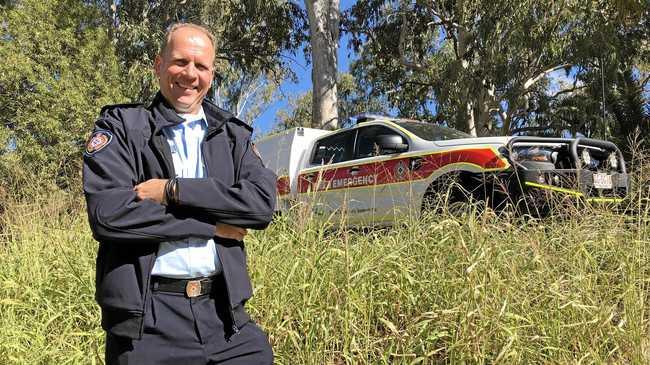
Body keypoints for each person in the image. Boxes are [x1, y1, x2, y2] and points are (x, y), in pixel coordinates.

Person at [82, 23, 276, 364]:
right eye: (180, 62)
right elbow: (109, 215)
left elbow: (260, 207)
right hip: (149, 323)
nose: (190, 74)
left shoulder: (232, 136)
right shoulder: (122, 128)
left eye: (201, 66)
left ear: (211, 75)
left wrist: (173, 189)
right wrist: (210, 227)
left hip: (226, 317)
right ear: (159, 65)